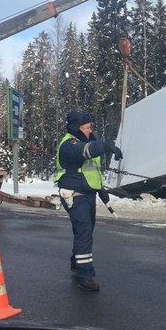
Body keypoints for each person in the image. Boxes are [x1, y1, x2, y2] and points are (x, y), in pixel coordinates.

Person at [55, 111, 123, 291]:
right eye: (87, 127)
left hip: (88, 193)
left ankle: (77, 261)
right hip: (74, 193)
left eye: (90, 126)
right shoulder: (70, 143)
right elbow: (85, 151)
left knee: (86, 229)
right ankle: (83, 274)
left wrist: (102, 192)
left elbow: (92, 172)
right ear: (77, 128)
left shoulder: (85, 142)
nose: (89, 130)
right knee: (84, 230)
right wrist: (106, 146)